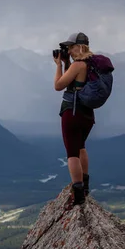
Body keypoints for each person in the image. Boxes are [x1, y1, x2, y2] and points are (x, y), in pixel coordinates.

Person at [53, 32, 95, 206]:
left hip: (73, 112)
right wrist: (66, 62)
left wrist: (58, 66)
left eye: (70, 47)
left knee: (72, 153)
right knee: (81, 148)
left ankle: (78, 195)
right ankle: (85, 187)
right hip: (87, 114)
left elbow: (58, 85)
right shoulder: (91, 64)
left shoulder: (78, 65)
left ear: (78, 47)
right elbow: (78, 82)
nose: (68, 50)